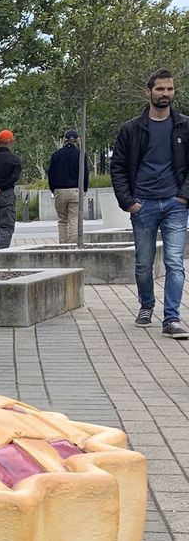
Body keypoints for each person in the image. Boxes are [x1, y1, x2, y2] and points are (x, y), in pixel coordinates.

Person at [110, 68, 189, 339]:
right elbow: (118, 166)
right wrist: (129, 202)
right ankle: (146, 305)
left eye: (169, 89)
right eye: (160, 89)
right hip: (143, 204)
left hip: (175, 204)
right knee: (144, 263)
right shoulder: (131, 129)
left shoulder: (184, 126)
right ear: (148, 92)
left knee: (175, 262)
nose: (165, 94)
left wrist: (184, 196)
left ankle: (172, 318)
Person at [47, 130, 91, 243]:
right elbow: (85, 173)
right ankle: (72, 244)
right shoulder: (80, 154)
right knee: (74, 219)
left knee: (62, 220)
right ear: (77, 140)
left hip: (60, 190)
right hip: (75, 190)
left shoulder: (56, 155)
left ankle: (62, 244)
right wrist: (84, 189)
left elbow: (51, 174)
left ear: (64, 140)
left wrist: (53, 189)